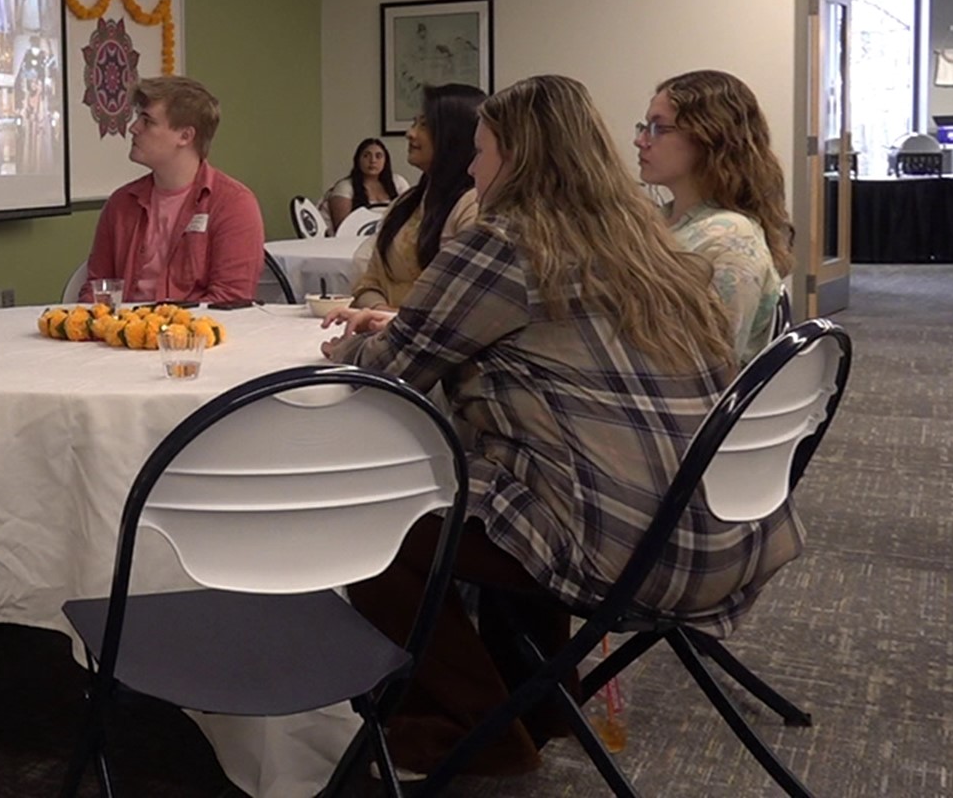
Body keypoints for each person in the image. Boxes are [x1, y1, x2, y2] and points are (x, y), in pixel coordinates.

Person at [320, 74, 800, 777]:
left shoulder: (508, 243)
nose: (472, 168)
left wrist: (344, 348)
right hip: (719, 528)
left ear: (516, 157)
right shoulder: (645, 240)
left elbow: (394, 366)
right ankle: (543, 704)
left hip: (625, 547)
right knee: (515, 490)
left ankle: (476, 728)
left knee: (368, 526)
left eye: (481, 153)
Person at [638, 69, 792, 364]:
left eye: (659, 129)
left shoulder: (730, 238)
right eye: (643, 127)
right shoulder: (662, 220)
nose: (641, 141)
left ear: (709, 136)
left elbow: (709, 364)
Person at [82, 77, 265, 304]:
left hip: (193, 335)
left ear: (185, 136)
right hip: (120, 334)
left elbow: (230, 300)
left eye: (147, 121)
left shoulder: (233, 204)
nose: (133, 127)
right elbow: (98, 286)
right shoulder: (121, 202)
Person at [349, 84, 486, 310]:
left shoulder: (473, 205)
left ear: (454, 135)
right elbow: (369, 279)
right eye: (414, 123)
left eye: (424, 125)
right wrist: (377, 311)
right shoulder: (407, 202)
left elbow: (464, 303)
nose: (410, 133)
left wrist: (391, 322)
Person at [325, 137, 405, 229]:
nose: (373, 161)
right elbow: (343, 228)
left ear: (386, 161)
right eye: (366, 156)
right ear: (358, 159)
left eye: (378, 156)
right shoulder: (345, 187)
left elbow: (410, 217)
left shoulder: (398, 182)